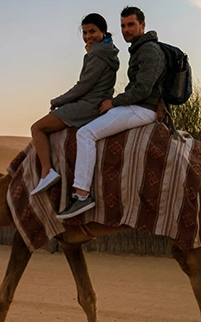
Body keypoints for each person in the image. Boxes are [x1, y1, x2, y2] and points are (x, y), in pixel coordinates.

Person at [58, 6, 166, 219]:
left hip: (143, 109)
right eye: (123, 26)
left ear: (142, 25)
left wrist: (114, 103)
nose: (126, 30)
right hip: (138, 105)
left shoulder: (149, 51)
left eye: (131, 25)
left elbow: (143, 89)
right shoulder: (139, 49)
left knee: (85, 134)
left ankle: (81, 195)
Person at [29, 13, 120, 196]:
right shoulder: (108, 50)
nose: (88, 37)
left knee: (37, 128)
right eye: (85, 33)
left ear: (103, 31)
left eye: (92, 31)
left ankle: (47, 172)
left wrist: (58, 101)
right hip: (95, 101)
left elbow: (83, 86)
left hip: (88, 105)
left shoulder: (97, 55)